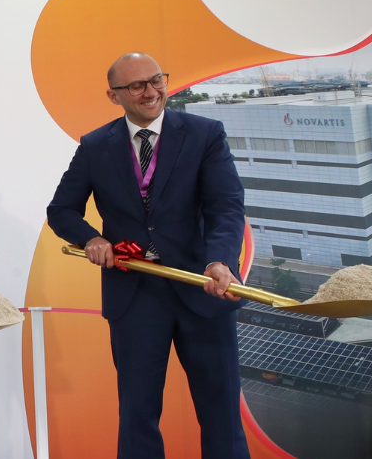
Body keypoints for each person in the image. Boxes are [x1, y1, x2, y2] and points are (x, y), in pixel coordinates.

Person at [46, 52, 248, 458]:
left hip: (203, 290)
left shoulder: (205, 133)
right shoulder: (94, 146)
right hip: (134, 298)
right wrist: (90, 240)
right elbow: (61, 211)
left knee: (222, 413)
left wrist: (220, 261)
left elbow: (226, 205)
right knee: (138, 416)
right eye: (137, 86)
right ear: (113, 95)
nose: (151, 91)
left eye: (156, 80)